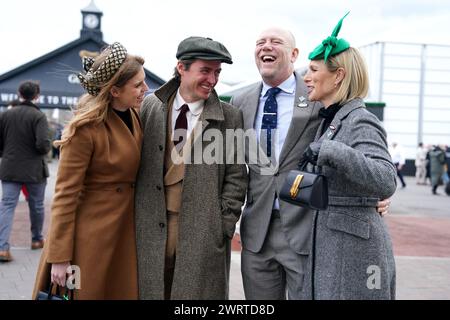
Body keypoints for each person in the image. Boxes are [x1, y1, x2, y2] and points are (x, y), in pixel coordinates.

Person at [230, 27, 390, 300]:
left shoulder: (320, 95)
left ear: (294, 54)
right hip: (257, 232)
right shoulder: (240, 101)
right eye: (260, 42)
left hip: (306, 230)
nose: (266, 46)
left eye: (275, 42)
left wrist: (375, 195)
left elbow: (366, 151)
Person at [135, 37, 247, 300]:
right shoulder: (150, 106)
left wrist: (222, 226)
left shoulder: (230, 116)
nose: (212, 79)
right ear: (181, 68)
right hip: (149, 227)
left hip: (203, 232)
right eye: (205, 71)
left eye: (217, 72)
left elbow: (236, 177)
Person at [32, 42, 147, 299]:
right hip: (89, 237)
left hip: (123, 230)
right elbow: (64, 195)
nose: (145, 89)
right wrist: (60, 257)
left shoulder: (135, 115)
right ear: (115, 90)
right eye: (138, 85)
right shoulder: (84, 128)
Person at [301, 13, 397, 299]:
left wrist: (331, 150)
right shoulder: (331, 118)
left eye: (314, 70)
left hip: (356, 255)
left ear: (338, 75)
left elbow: (386, 178)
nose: (306, 77)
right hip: (335, 248)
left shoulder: (360, 120)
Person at [0, 81, 50, 262]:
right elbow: (43, 145)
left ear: (19, 93)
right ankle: (37, 239)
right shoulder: (38, 116)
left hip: (9, 168)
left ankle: (2, 248)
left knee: (6, 206)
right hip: (33, 171)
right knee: (36, 206)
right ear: (37, 96)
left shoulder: (5, 115)